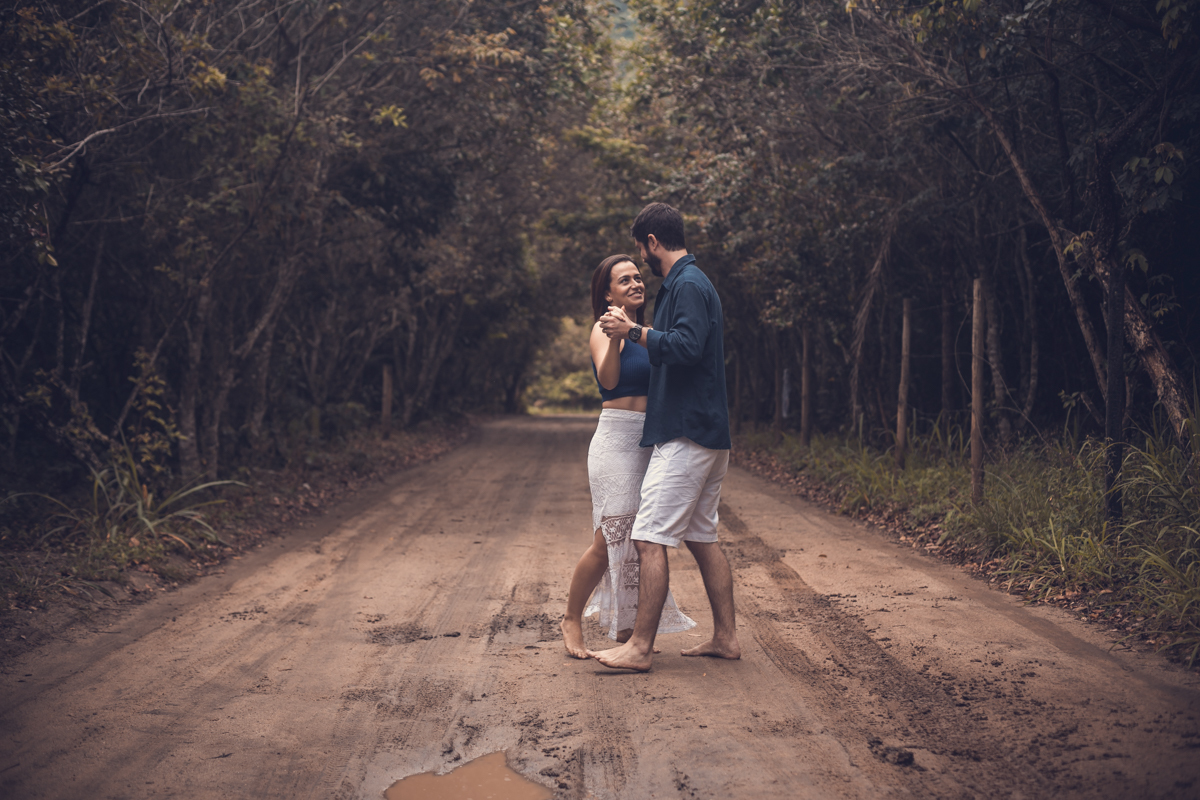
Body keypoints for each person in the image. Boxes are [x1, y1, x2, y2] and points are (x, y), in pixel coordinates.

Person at [589, 202, 741, 672]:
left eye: (641, 250)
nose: (643, 261)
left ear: (652, 242)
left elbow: (688, 347)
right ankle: (726, 638)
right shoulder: (686, 284)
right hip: (705, 431)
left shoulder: (688, 284)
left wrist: (634, 331)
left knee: (648, 536)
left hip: (687, 432)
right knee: (702, 536)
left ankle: (639, 647)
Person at [560, 254, 696, 659]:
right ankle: (570, 618)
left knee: (641, 540)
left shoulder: (649, 333)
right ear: (608, 294)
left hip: (650, 444)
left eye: (638, 277)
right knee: (607, 540)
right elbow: (608, 379)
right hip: (615, 441)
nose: (636, 283)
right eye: (625, 280)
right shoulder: (603, 329)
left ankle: (628, 626)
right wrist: (618, 334)